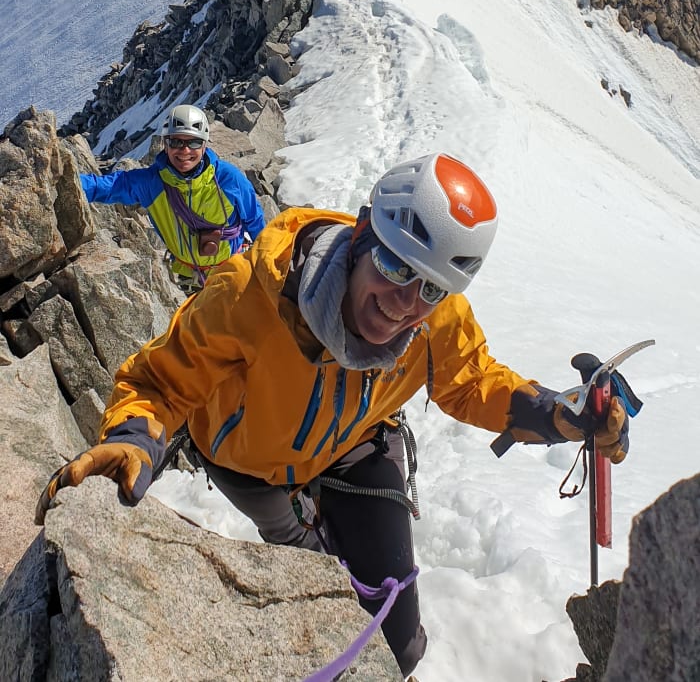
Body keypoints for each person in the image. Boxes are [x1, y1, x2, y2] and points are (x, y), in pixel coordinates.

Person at [36, 152, 631, 678]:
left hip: (354, 442)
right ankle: (301, 542)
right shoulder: (251, 293)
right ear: (362, 236)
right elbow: (162, 382)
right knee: (299, 563)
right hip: (247, 460)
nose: (404, 305)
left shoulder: (435, 321)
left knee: (397, 632)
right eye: (396, 268)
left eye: (430, 289)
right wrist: (137, 437)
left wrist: (559, 413)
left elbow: (470, 380)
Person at [80, 104, 266, 293]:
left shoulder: (229, 179)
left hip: (232, 271)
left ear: (204, 145)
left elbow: (255, 221)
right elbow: (107, 187)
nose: (185, 151)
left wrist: (266, 264)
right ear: (165, 144)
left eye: (193, 143)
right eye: (176, 142)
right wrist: (65, 180)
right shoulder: (152, 183)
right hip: (187, 280)